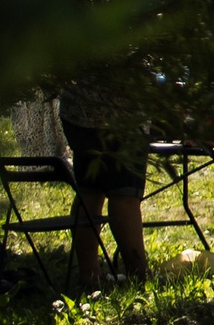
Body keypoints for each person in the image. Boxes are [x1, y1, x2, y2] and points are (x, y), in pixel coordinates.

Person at [54, 75, 148, 290]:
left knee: (90, 190)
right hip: (121, 112)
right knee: (124, 194)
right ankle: (139, 275)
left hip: (77, 113)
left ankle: (89, 274)